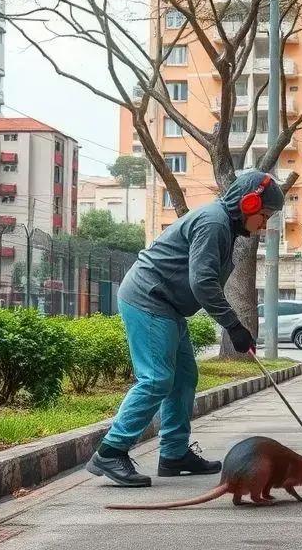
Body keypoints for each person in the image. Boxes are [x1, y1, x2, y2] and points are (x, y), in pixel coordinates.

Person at [86, 170, 285, 487]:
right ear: (248, 204)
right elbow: (203, 282)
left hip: (168, 306)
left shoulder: (224, 225)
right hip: (149, 299)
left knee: (183, 379)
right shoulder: (214, 223)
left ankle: (174, 454)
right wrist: (234, 325)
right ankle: (111, 451)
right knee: (156, 380)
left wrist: (233, 324)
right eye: (265, 215)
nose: (264, 225)